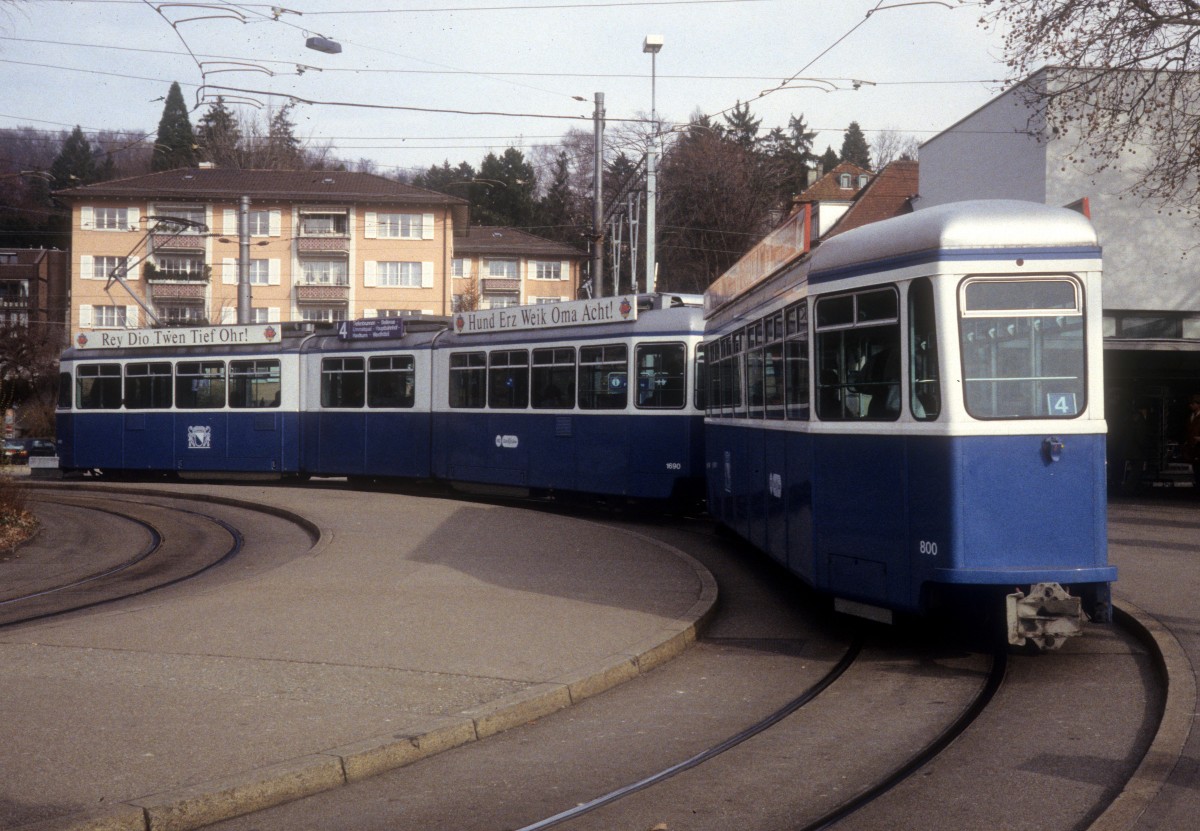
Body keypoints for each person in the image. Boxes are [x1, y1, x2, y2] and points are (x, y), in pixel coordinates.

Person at [1183, 394, 1200, 486]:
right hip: (1193, 448)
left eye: (1193, 404)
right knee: (1196, 469)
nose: (1191, 406)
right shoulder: (1191, 416)